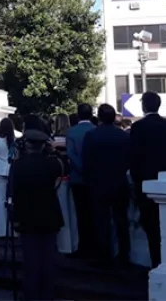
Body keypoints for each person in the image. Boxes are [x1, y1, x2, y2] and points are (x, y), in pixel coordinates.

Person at [8, 116, 67, 301]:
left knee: (30, 262)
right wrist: (54, 152)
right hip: (49, 217)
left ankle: (32, 296)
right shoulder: (52, 163)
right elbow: (65, 168)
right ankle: (47, 294)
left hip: (26, 218)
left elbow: (13, 192)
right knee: (48, 260)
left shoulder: (18, 166)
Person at [129, 91, 166, 268]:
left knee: (149, 223)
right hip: (165, 179)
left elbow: (132, 156)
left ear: (144, 106)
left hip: (144, 181)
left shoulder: (137, 128)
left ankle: (154, 261)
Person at [82, 104, 132, 267]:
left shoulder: (91, 136)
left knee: (101, 221)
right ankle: (124, 253)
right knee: (121, 220)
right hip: (119, 181)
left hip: (98, 182)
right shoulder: (123, 136)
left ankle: (104, 254)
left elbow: (86, 161)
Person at [65, 103, 96, 259]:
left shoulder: (72, 131)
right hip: (95, 178)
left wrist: (80, 168)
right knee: (96, 214)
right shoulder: (96, 130)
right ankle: (96, 246)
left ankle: (83, 246)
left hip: (78, 178)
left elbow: (70, 153)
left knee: (81, 214)